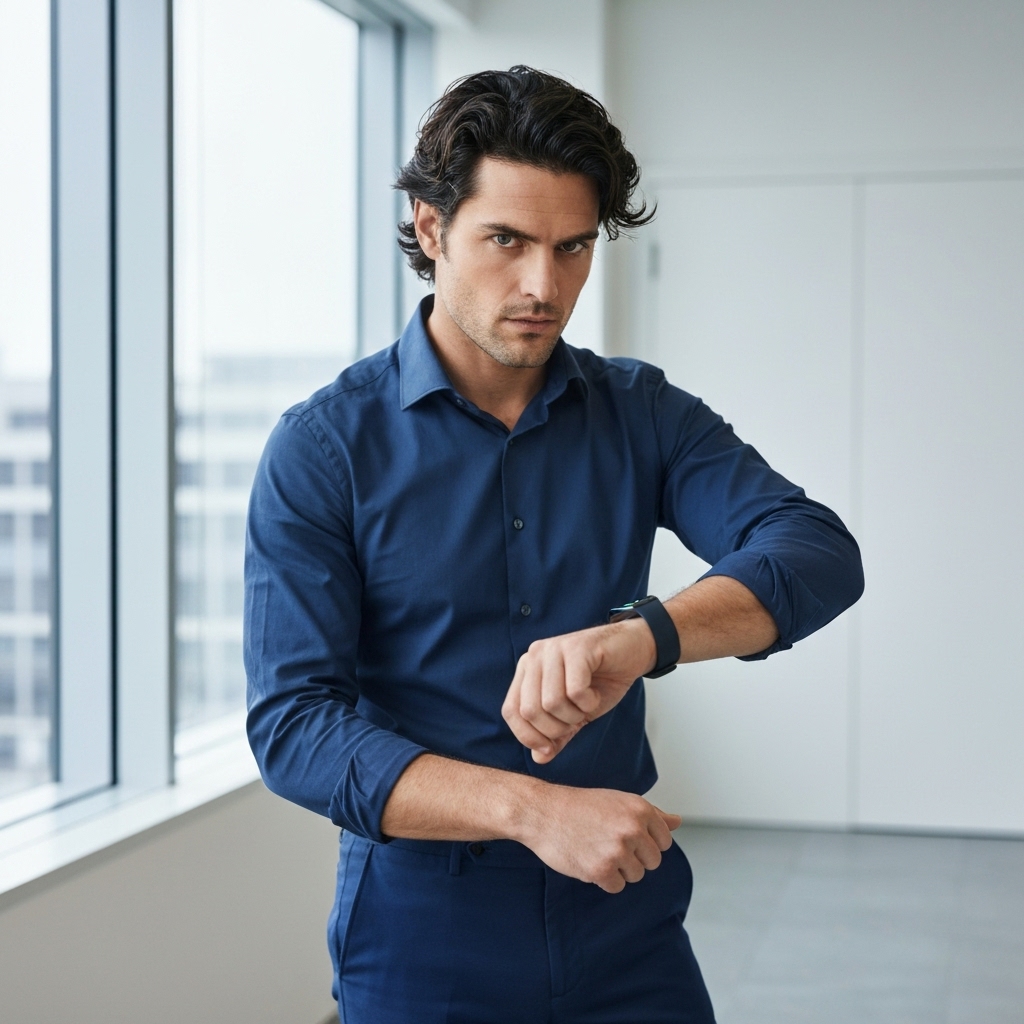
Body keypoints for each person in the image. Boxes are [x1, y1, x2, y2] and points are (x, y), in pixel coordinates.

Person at [245, 66, 863, 1024]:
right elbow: (295, 725)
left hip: (626, 918)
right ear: (429, 228)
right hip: (420, 937)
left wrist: (643, 634)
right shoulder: (324, 447)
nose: (545, 285)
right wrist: (533, 812)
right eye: (508, 241)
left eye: (573, 248)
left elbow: (815, 548)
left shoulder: (642, 412)